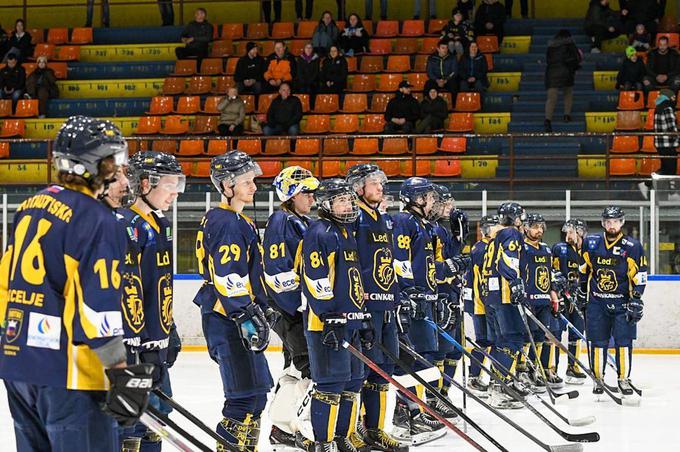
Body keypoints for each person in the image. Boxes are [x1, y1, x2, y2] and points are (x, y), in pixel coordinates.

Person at [0, 115, 153, 451]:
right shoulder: (95, 217)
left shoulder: (30, 206)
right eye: (112, 160)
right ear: (92, 163)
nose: (116, 170)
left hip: (18, 365)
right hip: (68, 374)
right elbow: (95, 307)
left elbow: (5, 285)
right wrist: (119, 368)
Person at [193, 151, 276, 450]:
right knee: (242, 397)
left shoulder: (235, 219)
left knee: (255, 394)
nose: (254, 187)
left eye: (253, 180)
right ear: (227, 185)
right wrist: (245, 314)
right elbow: (228, 275)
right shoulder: (227, 222)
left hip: (236, 314)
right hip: (228, 317)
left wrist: (262, 307)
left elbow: (247, 273)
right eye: (246, 181)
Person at [300, 178, 370, 451]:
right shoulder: (320, 232)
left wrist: (361, 317)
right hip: (326, 323)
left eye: (349, 199)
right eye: (342, 200)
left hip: (349, 321)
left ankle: (343, 437)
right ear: (327, 204)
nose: (348, 204)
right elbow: (315, 278)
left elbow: (352, 280)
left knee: (353, 380)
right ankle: (324, 443)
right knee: (330, 384)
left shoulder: (345, 232)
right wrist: (329, 317)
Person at [345, 164, 408, 452]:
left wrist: (398, 295)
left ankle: (375, 430)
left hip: (387, 305)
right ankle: (353, 427)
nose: (380, 187)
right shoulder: (353, 217)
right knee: (359, 371)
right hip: (365, 306)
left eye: (381, 182)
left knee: (383, 370)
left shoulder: (380, 218)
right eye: (374, 183)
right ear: (359, 187)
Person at [392, 177, 461, 443]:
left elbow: (432, 267)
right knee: (412, 359)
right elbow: (400, 261)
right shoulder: (404, 222)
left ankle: (418, 409)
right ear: (417, 199)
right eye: (429, 197)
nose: (433, 201)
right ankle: (405, 413)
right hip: (415, 300)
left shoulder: (425, 226)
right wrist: (409, 293)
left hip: (427, 299)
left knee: (427, 356)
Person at [125, 151, 185, 451]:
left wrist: (167, 328)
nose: (176, 192)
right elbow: (128, 291)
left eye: (178, 184)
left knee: (159, 416)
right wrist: (133, 343)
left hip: (155, 342)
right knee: (131, 419)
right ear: (145, 184)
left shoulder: (161, 224)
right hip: (134, 344)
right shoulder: (127, 225)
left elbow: (158, 286)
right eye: (170, 184)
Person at [264, 166, 319, 449]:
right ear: (290, 195)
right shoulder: (281, 220)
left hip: (298, 308)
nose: (311, 198)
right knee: (309, 367)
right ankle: (293, 427)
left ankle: (281, 427)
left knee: (296, 367)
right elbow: (276, 272)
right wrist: (298, 307)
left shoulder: (303, 222)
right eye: (305, 192)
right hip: (290, 309)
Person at [577, 206, 647, 397]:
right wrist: (582, 292)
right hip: (596, 303)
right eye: (608, 222)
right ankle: (598, 379)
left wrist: (637, 299)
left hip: (622, 303)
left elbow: (640, 275)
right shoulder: (591, 243)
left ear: (621, 222)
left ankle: (623, 379)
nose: (611, 225)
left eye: (615, 221)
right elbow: (584, 270)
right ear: (603, 223)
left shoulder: (632, 246)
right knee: (597, 342)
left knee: (623, 342)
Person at [483, 202, 531, 409]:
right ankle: (500, 386)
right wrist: (515, 282)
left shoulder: (495, 236)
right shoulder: (511, 233)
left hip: (491, 296)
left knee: (502, 341)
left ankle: (501, 383)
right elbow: (508, 260)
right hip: (505, 295)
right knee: (512, 339)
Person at [425, 187, 467, 420]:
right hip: (439, 294)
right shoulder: (430, 229)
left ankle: (443, 393)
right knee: (440, 349)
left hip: (452, 294)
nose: (450, 207)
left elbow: (453, 257)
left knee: (455, 350)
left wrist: (459, 238)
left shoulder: (442, 229)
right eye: (445, 202)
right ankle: (433, 398)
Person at [519, 213, 563, 390]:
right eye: (534, 226)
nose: (538, 230)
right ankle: (521, 371)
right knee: (526, 337)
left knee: (540, 336)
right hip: (528, 300)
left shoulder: (545, 249)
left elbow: (549, 273)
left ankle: (534, 369)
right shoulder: (522, 248)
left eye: (540, 227)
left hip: (544, 299)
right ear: (526, 227)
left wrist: (553, 292)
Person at [463, 214, 501, 398]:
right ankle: (475, 377)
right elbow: (480, 280)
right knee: (485, 341)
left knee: (492, 341)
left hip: (486, 302)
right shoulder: (481, 249)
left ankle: (489, 377)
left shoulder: (490, 246)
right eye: (494, 226)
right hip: (482, 304)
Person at [552, 219, 589, 385]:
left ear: (580, 232)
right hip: (561, 298)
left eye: (571, 232)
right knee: (555, 334)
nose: (567, 235)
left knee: (576, 334)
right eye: (566, 232)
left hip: (579, 299)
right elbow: (550, 270)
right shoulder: (559, 249)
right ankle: (551, 369)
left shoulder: (588, 250)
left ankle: (572, 367)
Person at [544, 29, 582, 132]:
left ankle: (547, 120)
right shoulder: (570, 44)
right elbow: (576, 58)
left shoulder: (550, 46)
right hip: (566, 71)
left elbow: (548, 60)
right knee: (568, 93)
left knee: (551, 98)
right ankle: (566, 115)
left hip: (552, 73)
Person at [653, 88, 680, 178]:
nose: (674, 99)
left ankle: (653, 186)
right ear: (668, 97)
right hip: (668, 144)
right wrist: (678, 140)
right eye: (673, 97)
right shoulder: (667, 108)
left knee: (665, 169)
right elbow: (671, 128)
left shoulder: (659, 107)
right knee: (670, 171)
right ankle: (648, 184)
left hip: (660, 144)